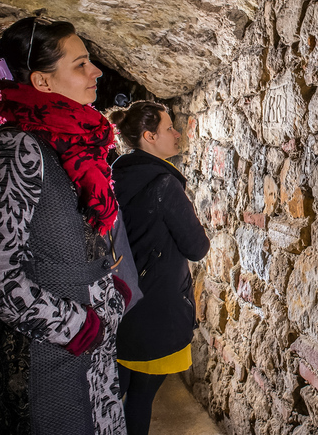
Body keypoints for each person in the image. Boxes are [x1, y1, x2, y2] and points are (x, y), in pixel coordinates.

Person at [0, 16, 132, 434]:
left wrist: (106, 285)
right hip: (47, 358)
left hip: (87, 350)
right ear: (41, 82)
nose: (96, 72)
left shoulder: (71, 141)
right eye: (80, 64)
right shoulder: (16, 148)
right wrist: (78, 325)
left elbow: (68, 236)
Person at [108, 101, 210, 435]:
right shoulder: (164, 184)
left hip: (118, 306)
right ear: (149, 137)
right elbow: (197, 247)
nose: (177, 134)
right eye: (169, 128)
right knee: (140, 397)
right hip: (155, 310)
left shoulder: (111, 178)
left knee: (113, 394)